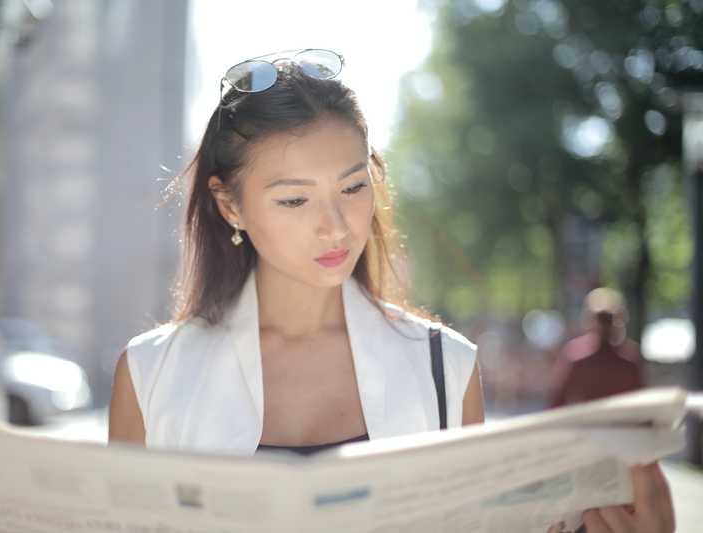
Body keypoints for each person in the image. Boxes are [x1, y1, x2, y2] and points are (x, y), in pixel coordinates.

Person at [106, 49, 674, 532]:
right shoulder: (151, 375)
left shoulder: (445, 365)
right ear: (230, 204)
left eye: (353, 186)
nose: (335, 225)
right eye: (295, 199)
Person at [550, 287, 644, 408]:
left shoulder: (630, 360)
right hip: (591, 425)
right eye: (601, 319)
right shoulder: (576, 357)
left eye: (608, 319)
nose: (604, 326)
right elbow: (558, 402)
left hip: (618, 425)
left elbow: (641, 400)